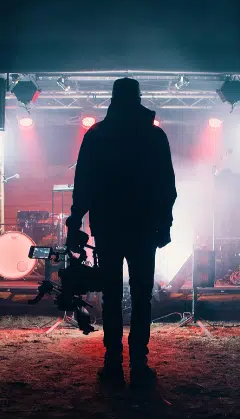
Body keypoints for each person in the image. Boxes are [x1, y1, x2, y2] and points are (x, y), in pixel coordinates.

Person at [66, 78, 177, 389]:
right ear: (138, 98)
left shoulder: (97, 135)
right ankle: (139, 364)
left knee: (111, 295)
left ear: (112, 99)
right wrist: (164, 223)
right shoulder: (154, 136)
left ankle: (113, 361)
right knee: (142, 297)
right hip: (143, 227)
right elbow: (166, 186)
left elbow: (83, 183)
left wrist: (76, 220)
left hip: (109, 226)